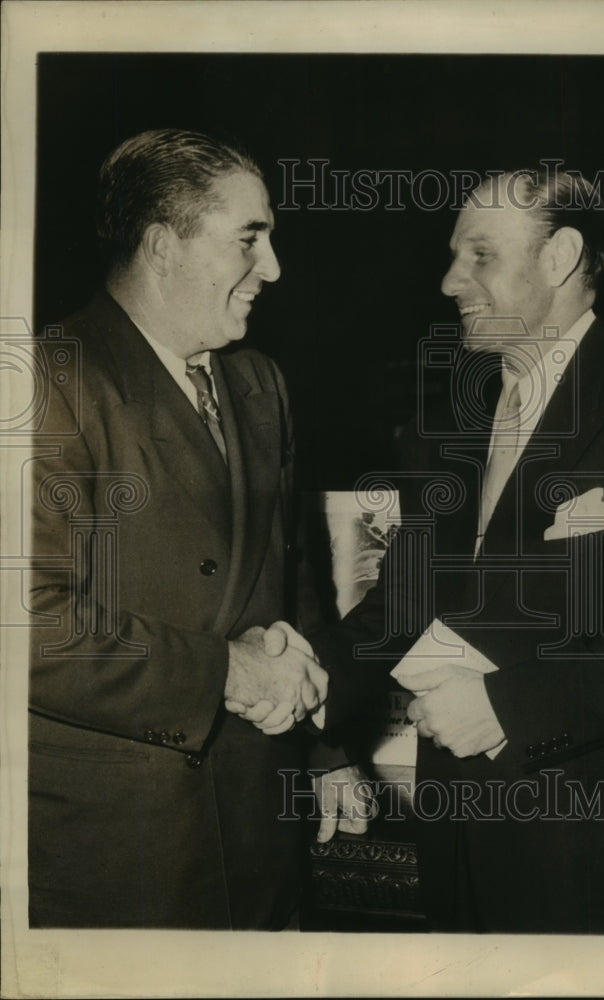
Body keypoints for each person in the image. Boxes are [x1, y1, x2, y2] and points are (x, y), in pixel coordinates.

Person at [253, 168, 604, 934]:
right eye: (454, 255)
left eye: (480, 255)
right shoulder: (447, 428)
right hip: (453, 835)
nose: (451, 280)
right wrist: (308, 677)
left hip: (594, 843)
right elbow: (399, 608)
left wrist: (507, 708)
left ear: (561, 257)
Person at [28, 128, 366, 930]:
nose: (275, 267)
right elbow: (28, 626)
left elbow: (293, 582)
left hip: (263, 830)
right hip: (118, 850)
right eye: (250, 238)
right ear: (161, 245)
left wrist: (324, 744)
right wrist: (229, 674)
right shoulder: (48, 379)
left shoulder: (258, 382)